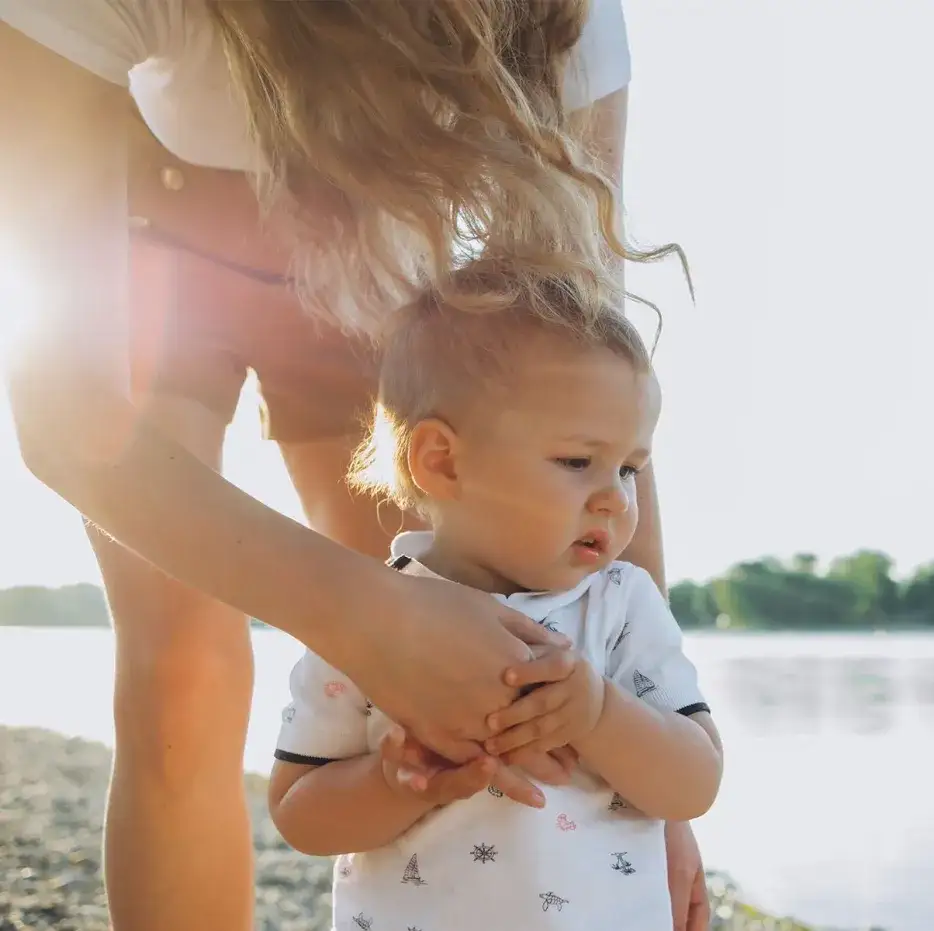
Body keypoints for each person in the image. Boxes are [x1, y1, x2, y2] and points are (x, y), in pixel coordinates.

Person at [0, 2, 709, 930]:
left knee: (469, 630)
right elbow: (68, 417)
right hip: (148, 244)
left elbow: (595, 404)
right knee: (182, 671)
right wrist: (370, 618)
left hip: (377, 254)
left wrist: (652, 784)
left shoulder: (560, 20)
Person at [269, 271, 724, 930]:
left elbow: (695, 783)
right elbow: (299, 815)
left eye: (629, 468)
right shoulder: (376, 619)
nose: (615, 499)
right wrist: (393, 783)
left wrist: (599, 713)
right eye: (577, 461)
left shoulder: (621, 607)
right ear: (443, 462)